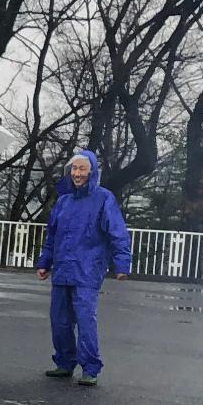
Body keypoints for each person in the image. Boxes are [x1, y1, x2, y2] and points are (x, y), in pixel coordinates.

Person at [36, 149, 132, 386]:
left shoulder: (103, 198)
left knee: (85, 317)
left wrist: (122, 263)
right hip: (62, 269)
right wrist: (44, 262)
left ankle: (90, 367)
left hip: (88, 268)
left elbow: (117, 232)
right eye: (74, 169)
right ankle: (64, 362)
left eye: (82, 169)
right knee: (59, 319)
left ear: (92, 171)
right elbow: (52, 235)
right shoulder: (64, 201)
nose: (77, 174)